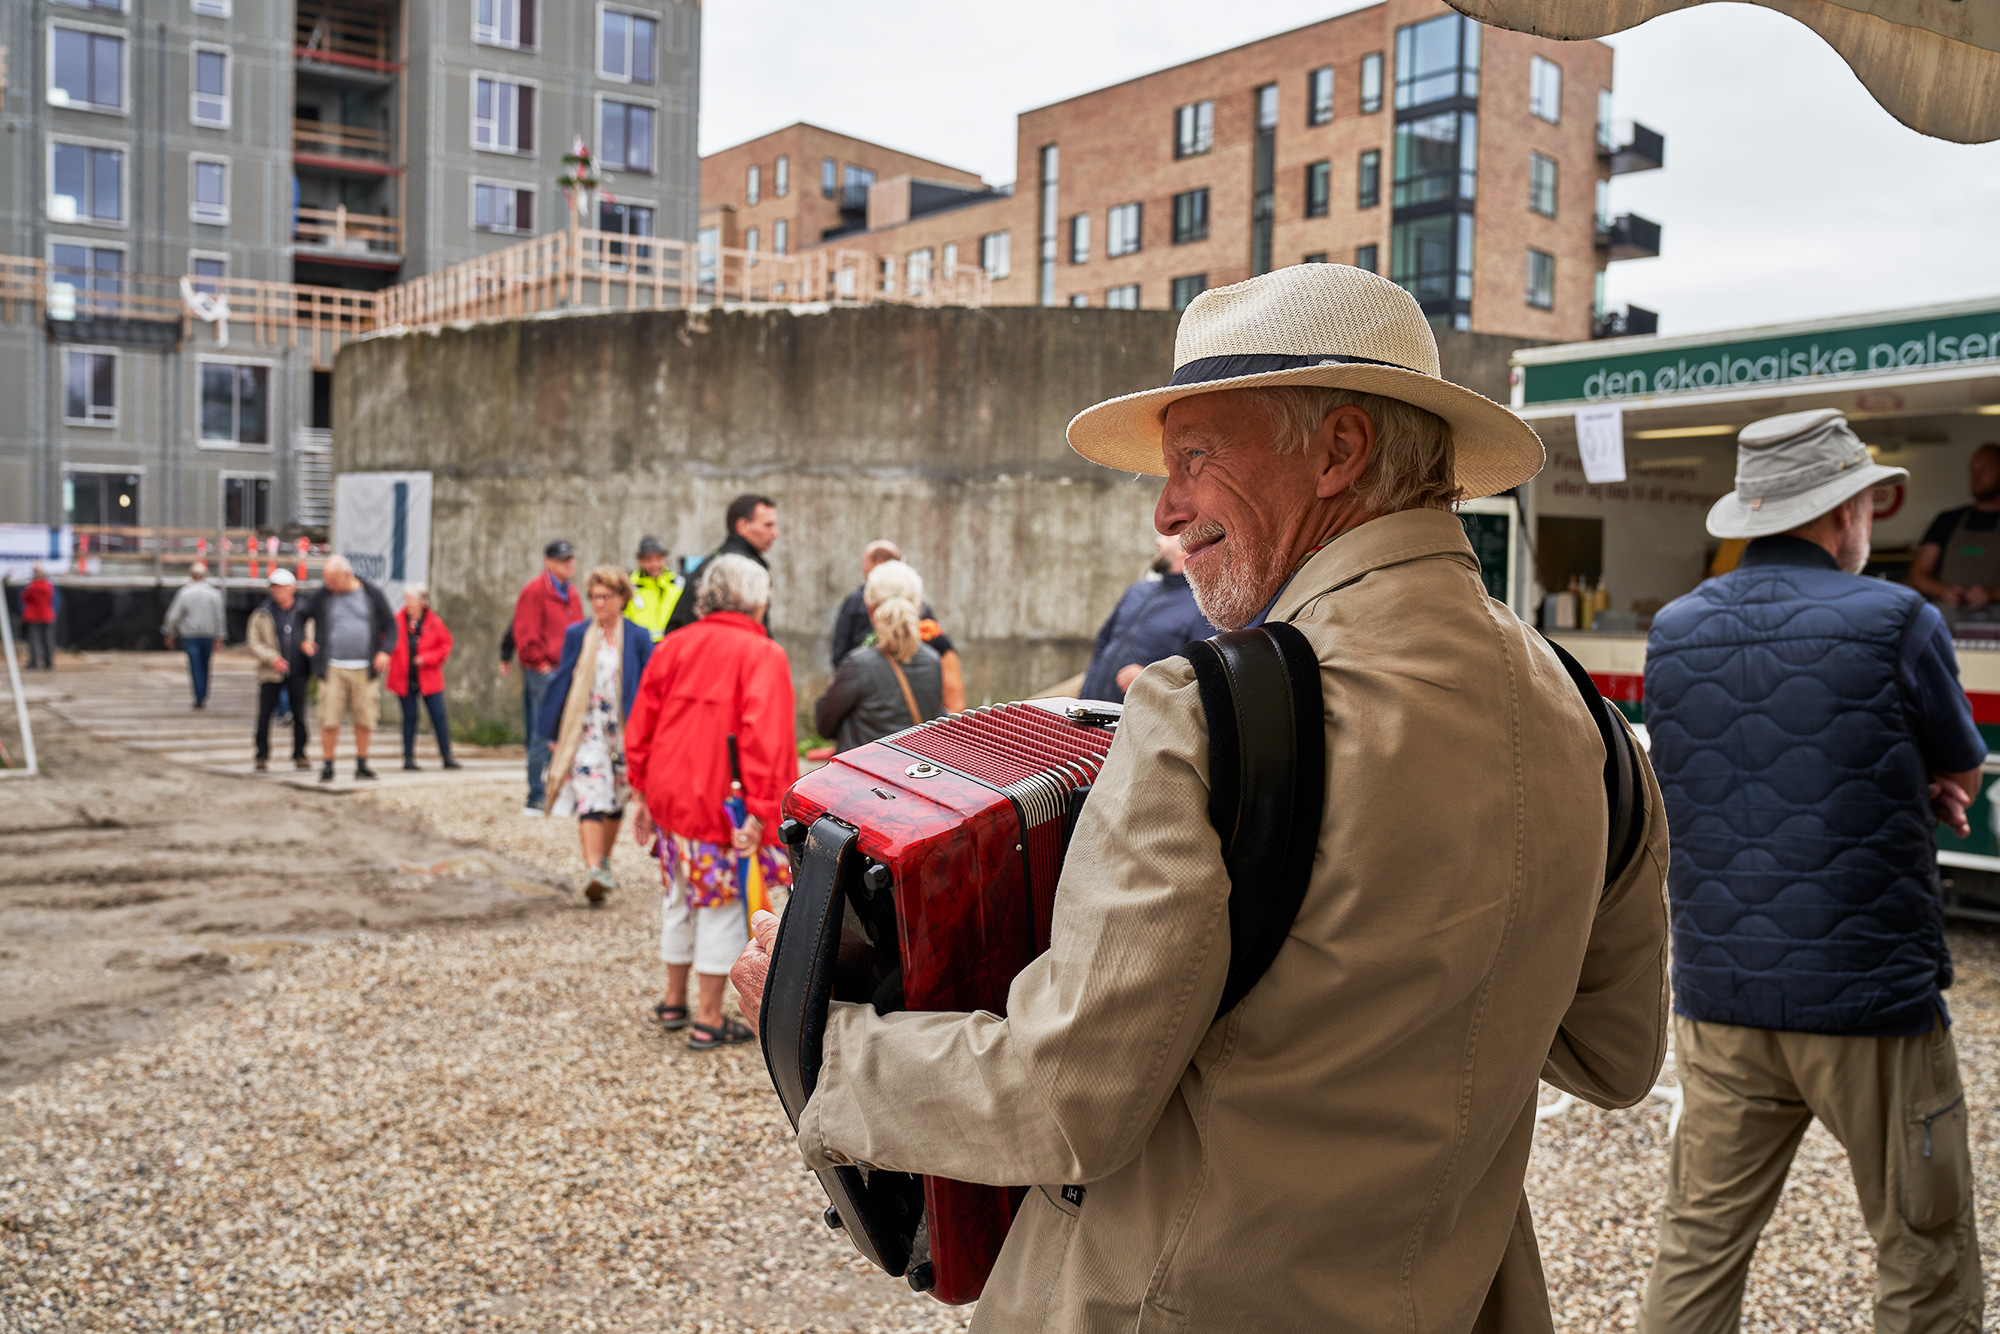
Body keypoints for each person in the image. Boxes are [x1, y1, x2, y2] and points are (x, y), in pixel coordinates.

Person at [731, 264, 1670, 1329]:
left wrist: (812, 1031)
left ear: (1339, 451)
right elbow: (1615, 1052)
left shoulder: (1216, 712)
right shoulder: (1587, 724)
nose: (1167, 507)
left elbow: (1063, 1095)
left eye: (1192, 457)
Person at [1639, 408, 1985, 1333]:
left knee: (1698, 1242)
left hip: (1719, 996)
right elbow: (1962, 768)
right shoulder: (1897, 619)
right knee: (1924, 1245)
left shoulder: (1674, 629)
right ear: (1844, 514)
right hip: (1870, 998)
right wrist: (1922, 786)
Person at [628, 553, 796, 1050]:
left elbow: (642, 724)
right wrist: (766, 814)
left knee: (678, 898)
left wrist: (639, 792)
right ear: (756, 597)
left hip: (670, 798)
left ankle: (674, 1000)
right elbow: (766, 743)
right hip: (725, 806)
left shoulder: (674, 644)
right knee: (724, 910)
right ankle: (708, 1018)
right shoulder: (762, 653)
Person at [539, 567, 653, 904]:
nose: (599, 603)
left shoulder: (637, 636)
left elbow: (648, 687)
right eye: (594, 597)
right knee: (591, 794)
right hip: (586, 728)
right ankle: (592, 870)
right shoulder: (578, 634)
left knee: (617, 797)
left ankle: (603, 862)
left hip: (623, 729)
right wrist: (553, 730)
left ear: (621, 598)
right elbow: (563, 681)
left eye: (606, 596)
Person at [814, 559, 946, 751]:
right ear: (918, 606)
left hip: (864, 774)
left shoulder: (859, 664)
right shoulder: (933, 661)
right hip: (911, 775)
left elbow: (824, 725)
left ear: (870, 609)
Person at [828, 539, 966, 712]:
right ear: (918, 602)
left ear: (870, 605)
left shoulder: (858, 661)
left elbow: (839, 653)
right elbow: (954, 708)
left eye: (865, 564)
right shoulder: (935, 646)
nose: (863, 569)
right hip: (921, 737)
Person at [1079, 532, 1217, 703]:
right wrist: (1088, 688)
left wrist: (1149, 679)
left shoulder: (1201, 608)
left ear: (1185, 548)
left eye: (1167, 538)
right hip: (1090, 709)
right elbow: (1103, 642)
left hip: (1133, 721)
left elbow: (1198, 677)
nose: (1158, 541)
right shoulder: (1137, 591)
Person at [502, 540, 584, 815]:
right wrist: (540, 664)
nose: (569, 564)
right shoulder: (535, 591)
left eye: (571, 558)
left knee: (568, 732)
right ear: (548, 562)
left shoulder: (571, 593)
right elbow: (524, 632)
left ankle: (560, 791)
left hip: (568, 671)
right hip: (545, 672)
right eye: (563, 560)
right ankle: (535, 794)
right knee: (542, 731)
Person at [300, 554, 394, 784]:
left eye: (333, 581)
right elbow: (299, 615)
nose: (329, 586)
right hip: (333, 668)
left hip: (364, 669)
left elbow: (391, 625)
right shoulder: (323, 596)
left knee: (365, 717)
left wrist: (385, 651)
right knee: (329, 718)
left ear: (347, 575)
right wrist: (304, 640)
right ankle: (328, 764)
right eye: (327, 581)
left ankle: (362, 763)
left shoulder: (371, 594)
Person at [1909, 441, 2000, 621]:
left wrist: (1993, 593)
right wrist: (1944, 591)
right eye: (1972, 470)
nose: (1976, 477)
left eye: (1984, 470)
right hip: (1949, 623)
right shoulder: (1947, 521)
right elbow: (1919, 574)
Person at [662, 494, 777, 635]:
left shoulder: (707, 565)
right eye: (768, 525)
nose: (775, 533)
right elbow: (756, 634)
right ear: (742, 526)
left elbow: (675, 627)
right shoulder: (747, 573)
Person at [387, 584, 459, 772]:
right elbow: (387, 642)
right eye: (407, 600)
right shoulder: (397, 621)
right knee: (410, 718)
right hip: (404, 679)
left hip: (429, 678)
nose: (408, 603)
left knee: (438, 716)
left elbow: (445, 645)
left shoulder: (434, 622)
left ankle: (446, 756)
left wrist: (426, 659)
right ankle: (408, 758)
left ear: (422, 602)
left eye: (412, 600)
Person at [246, 568, 311, 773]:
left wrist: (309, 647)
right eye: (275, 588)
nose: (278, 592)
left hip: (299, 670)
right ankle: (261, 755)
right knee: (265, 715)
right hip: (271, 672)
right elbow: (254, 641)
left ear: (292, 588)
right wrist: (271, 658)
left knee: (299, 715)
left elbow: (313, 634)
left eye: (282, 588)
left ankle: (300, 753)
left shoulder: (304, 611)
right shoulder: (263, 612)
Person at [161, 560, 226, 709]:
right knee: (205, 665)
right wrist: (220, 635)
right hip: (208, 635)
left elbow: (173, 615)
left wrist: (169, 632)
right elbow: (219, 615)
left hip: (190, 635)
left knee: (195, 666)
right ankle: (203, 694)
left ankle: (199, 697)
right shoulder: (214, 593)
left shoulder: (185, 593)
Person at [625, 536, 685, 638]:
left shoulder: (679, 584)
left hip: (673, 644)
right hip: (641, 648)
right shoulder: (629, 587)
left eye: (659, 558)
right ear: (639, 561)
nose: (654, 564)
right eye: (649, 560)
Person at [20, 565, 56, 671]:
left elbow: (24, 598)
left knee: (34, 641)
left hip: (33, 617)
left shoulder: (31, 587)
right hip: (47, 616)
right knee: (48, 640)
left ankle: (34, 663)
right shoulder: (49, 586)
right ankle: (48, 663)